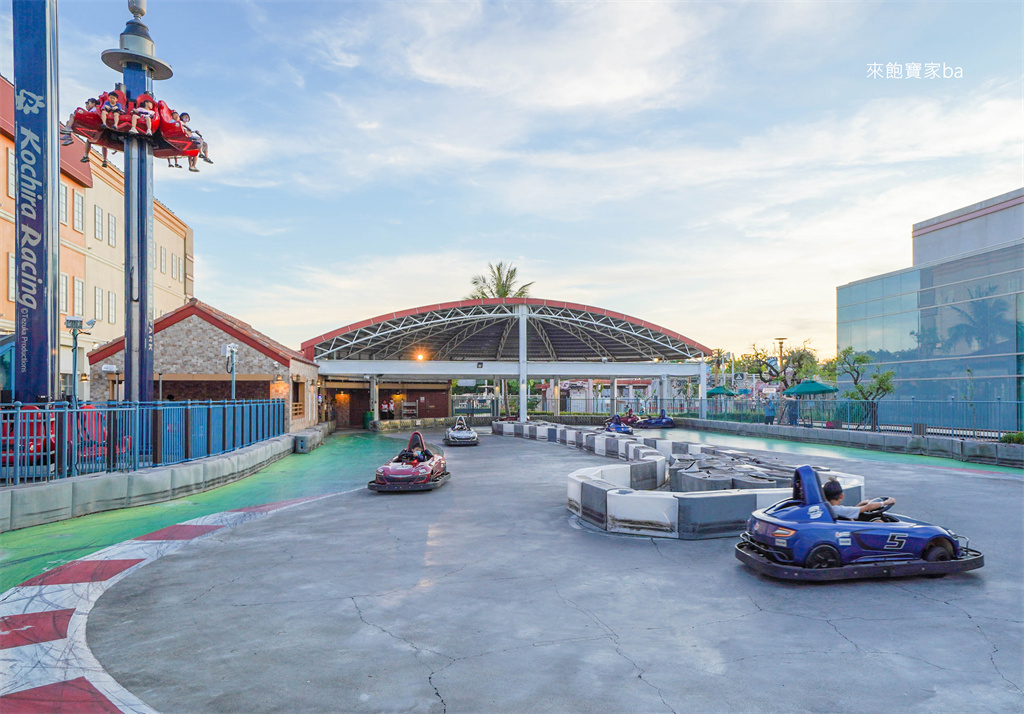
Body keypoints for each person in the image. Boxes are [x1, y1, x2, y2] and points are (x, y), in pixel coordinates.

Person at [823, 477, 894, 520]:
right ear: (841, 496)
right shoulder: (838, 510)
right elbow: (867, 507)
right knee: (878, 522)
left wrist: (861, 504)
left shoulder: (826, 508)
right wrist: (885, 502)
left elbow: (850, 512)